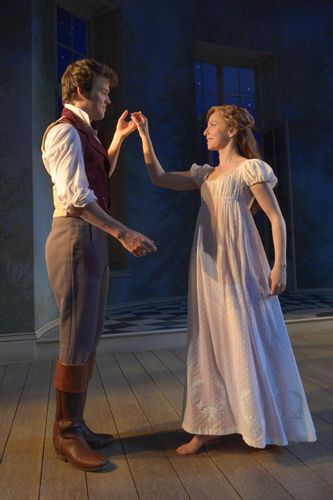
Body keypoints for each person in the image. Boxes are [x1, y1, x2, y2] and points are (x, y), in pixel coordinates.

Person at [131, 104, 316, 454]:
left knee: (245, 332)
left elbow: (276, 219)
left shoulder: (250, 169)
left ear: (232, 131)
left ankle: (259, 419)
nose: (205, 131)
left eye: (212, 125)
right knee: (211, 336)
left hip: (241, 262)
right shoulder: (206, 175)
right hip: (207, 264)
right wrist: (144, 135)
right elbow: (158, 176)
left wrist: (281, 266)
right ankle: (209, 425)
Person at [41, 59, 156, 471]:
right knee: (75, 336)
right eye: (103, 92)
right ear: (79, 93)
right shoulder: (63, 132)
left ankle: (77, 422)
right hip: (75, 237)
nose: (109, 99)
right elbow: (76, 197)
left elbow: (98, 174)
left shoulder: (85, 134)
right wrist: (123, 233)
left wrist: (119, 138)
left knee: (88, 335)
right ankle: (65, 433)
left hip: (89, 238)